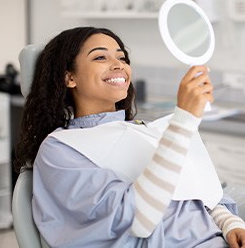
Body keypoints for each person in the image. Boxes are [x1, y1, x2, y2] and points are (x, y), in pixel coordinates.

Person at [14, 27, 245, 248]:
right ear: (69, 78)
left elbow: (199, 191)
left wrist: (230, 223)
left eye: (122, 58)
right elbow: (138, 218)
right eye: (100, 58)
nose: (118, 66)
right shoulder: (60, 149)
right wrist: (183, 121)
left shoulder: (141, 130)